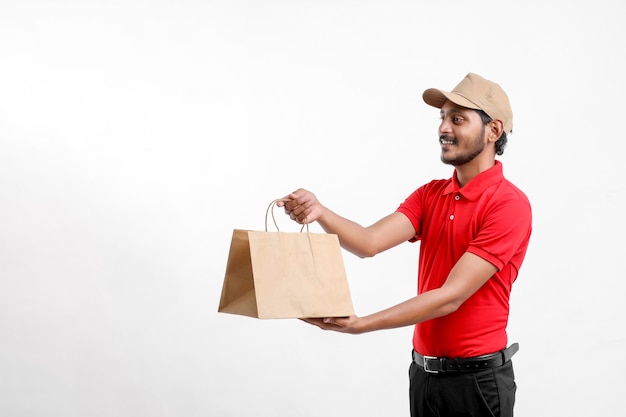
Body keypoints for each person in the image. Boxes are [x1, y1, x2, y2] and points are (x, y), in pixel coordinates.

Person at [278, 73, 532, 417]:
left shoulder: (508, 204)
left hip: (477, 383)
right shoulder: (431, 195)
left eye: (457, 118)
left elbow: (451, 296)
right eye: (441, 117)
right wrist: (320, 211)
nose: (443, 127)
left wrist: (363, 323)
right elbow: (369, 242)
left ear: (494, 131)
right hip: (424, 377)